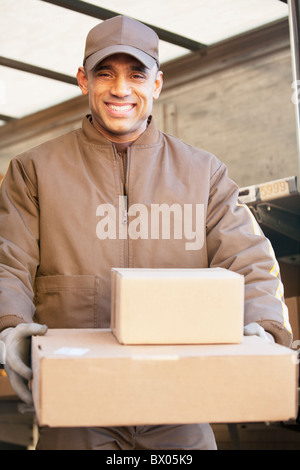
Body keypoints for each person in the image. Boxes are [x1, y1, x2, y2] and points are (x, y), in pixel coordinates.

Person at [0, 15, 292, 450]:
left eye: (136, 74)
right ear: (83, 80)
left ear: (157, 84)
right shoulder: (34, 171)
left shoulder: (204, 173)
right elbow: (9, 262)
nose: (121, 89)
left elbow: (248, 258)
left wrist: (261, 328)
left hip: (179, 403)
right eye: (105, 73)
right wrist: (10, 327)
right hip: (78, 405)